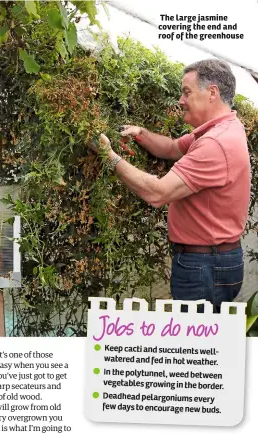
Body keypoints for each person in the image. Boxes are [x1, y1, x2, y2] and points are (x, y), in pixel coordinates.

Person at [93, 59, 251, 312]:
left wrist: (108, 156)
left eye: (187, 92)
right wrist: (140, 133)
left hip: (204, 265)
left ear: (212, 92)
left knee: (197, 346)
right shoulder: (223, 128)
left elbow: (157, 193)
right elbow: (172, 148)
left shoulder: (215, 144)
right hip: (213, 260)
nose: (180, 100)